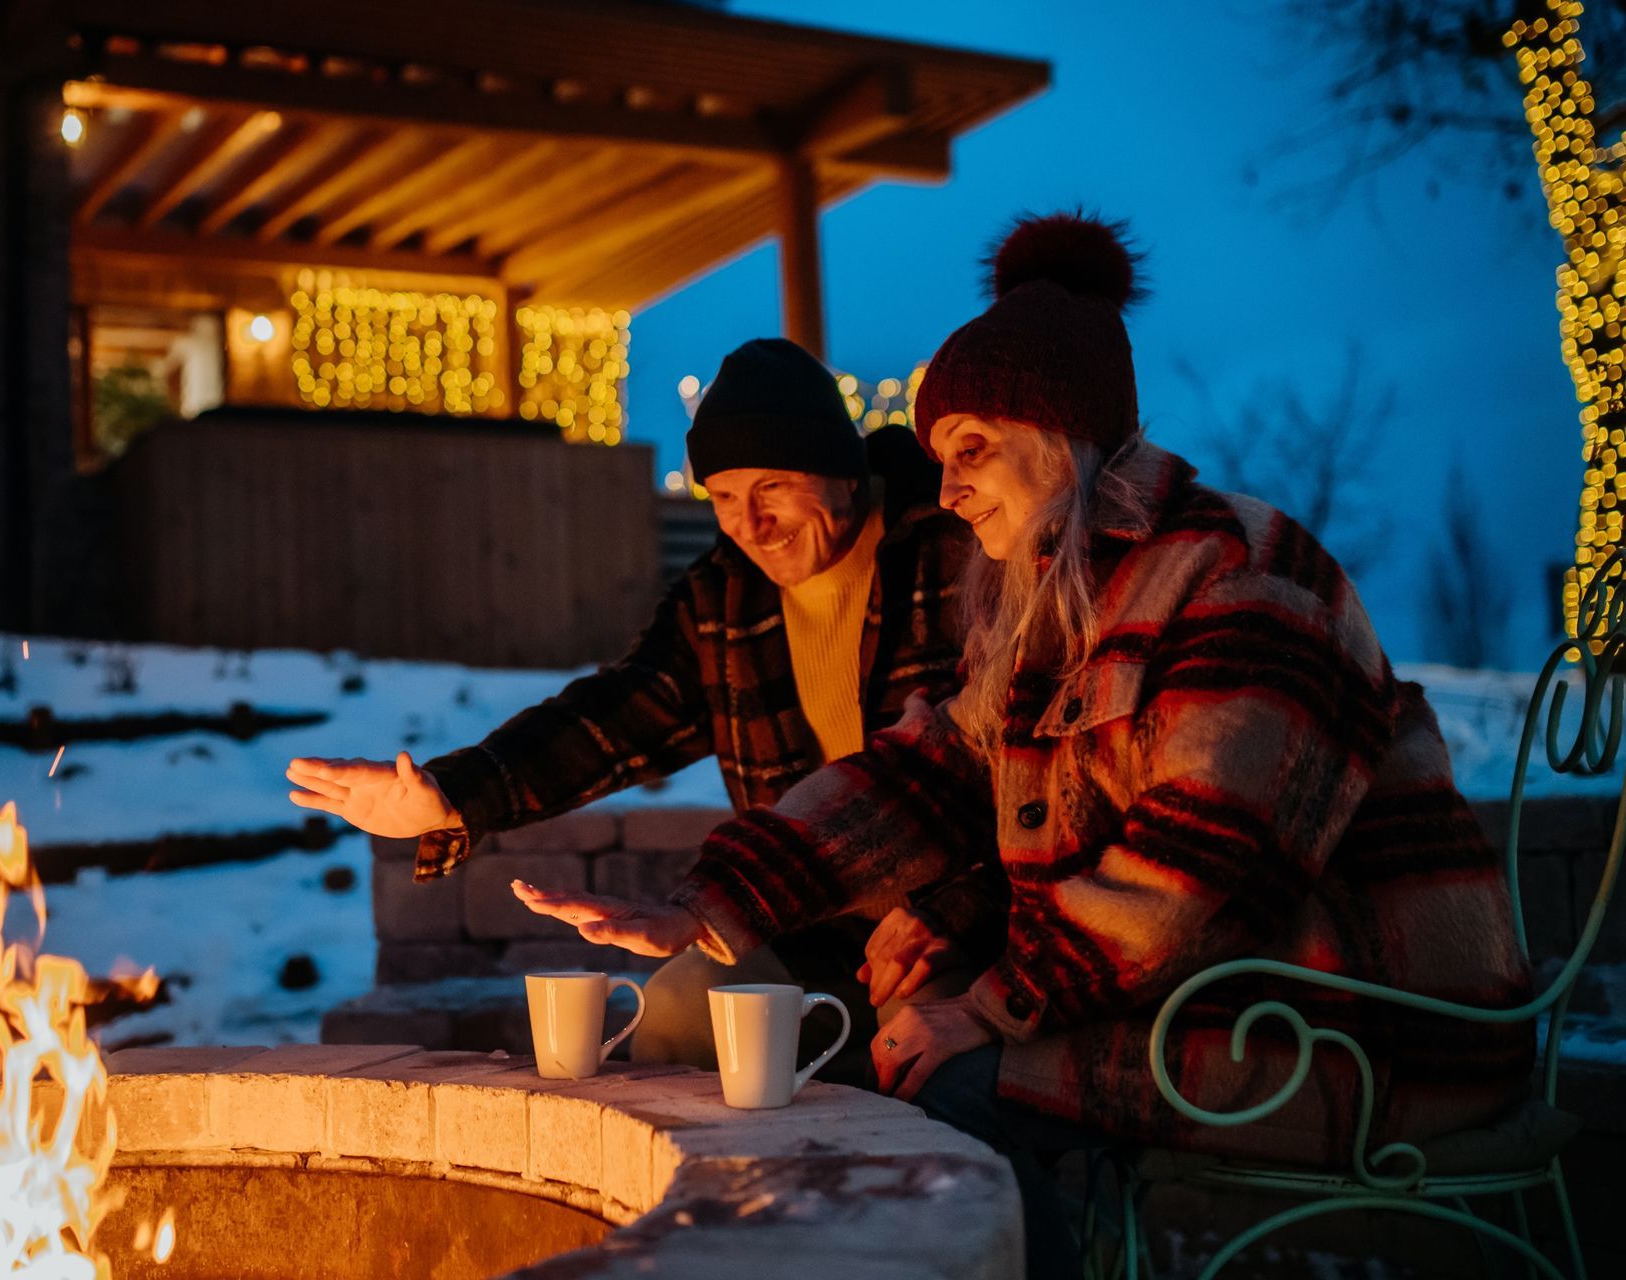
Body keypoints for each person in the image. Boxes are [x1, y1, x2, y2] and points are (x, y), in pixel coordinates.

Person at [512, 214, 1533, 1278]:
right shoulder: (1061, 607)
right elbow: (930, 766)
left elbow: (1201, 872)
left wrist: (988, 1007)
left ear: (1059, 438)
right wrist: (713, 898)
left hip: (1352, 1024)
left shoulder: (1243, 574)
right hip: (1202, 997)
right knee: (876, 1060)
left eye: (968, 453)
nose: (944, 491)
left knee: (944, 1100)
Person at [288, 337, 1000, 1074]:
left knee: (925, 1049)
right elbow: (614, 719)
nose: (750, 525)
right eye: (724, 497)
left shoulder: (957, 555)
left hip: (949, 918)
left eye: (772, 488)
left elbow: (1004, 769)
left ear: (845, 476)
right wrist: (450, 795)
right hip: (792, 914)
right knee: (680, 1016)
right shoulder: (725, 598)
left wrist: (962, 908)